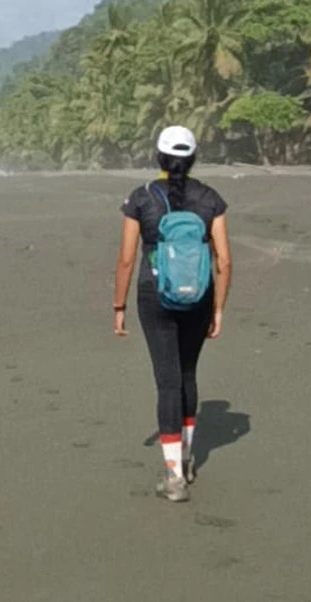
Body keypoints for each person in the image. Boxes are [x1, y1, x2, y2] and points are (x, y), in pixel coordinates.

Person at [112, 126, 233, 502]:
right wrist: (218, 309)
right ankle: (188, 456)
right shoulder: (210, 199)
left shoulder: (142, 198)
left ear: (159, 158)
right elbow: (225, 261)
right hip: (199, 296)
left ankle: (173, 475)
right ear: (194, 158)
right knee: (186, 375)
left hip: (155, 298)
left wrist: (118, 308)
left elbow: (127, 259)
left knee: (166, 382)